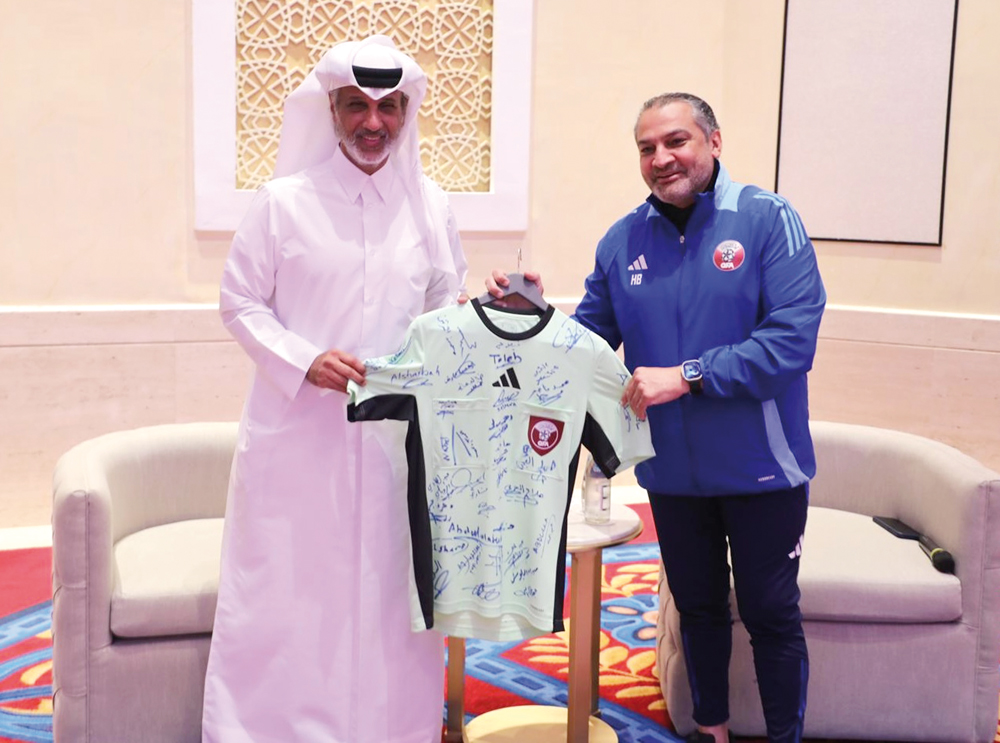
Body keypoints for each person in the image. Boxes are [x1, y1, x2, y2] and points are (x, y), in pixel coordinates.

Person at [489, 92, 825, 743]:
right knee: (697, 607)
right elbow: (586, 346)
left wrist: (689, 374)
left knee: (769, 613)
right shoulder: (623, 241)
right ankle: (712, 729)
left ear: (714, 143)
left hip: (763, 470)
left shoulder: (766, 219)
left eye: (676, 141)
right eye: (647, 148)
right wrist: (532, 317)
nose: (661, 158)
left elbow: (791, 342)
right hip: (671, 471)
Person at [202, 36, 469, 743]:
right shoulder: (282, 203)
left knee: (390, 596)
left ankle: (395, 728)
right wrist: (305, 359)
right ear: (332, 109)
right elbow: (239, 301)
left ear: (406, 113)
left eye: (389, 108)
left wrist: (491, 316)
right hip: (299, 443)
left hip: (395, 449)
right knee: (292, 593)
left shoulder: (431, 206)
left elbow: (444, 309)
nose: (374, 123)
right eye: (357, 106)